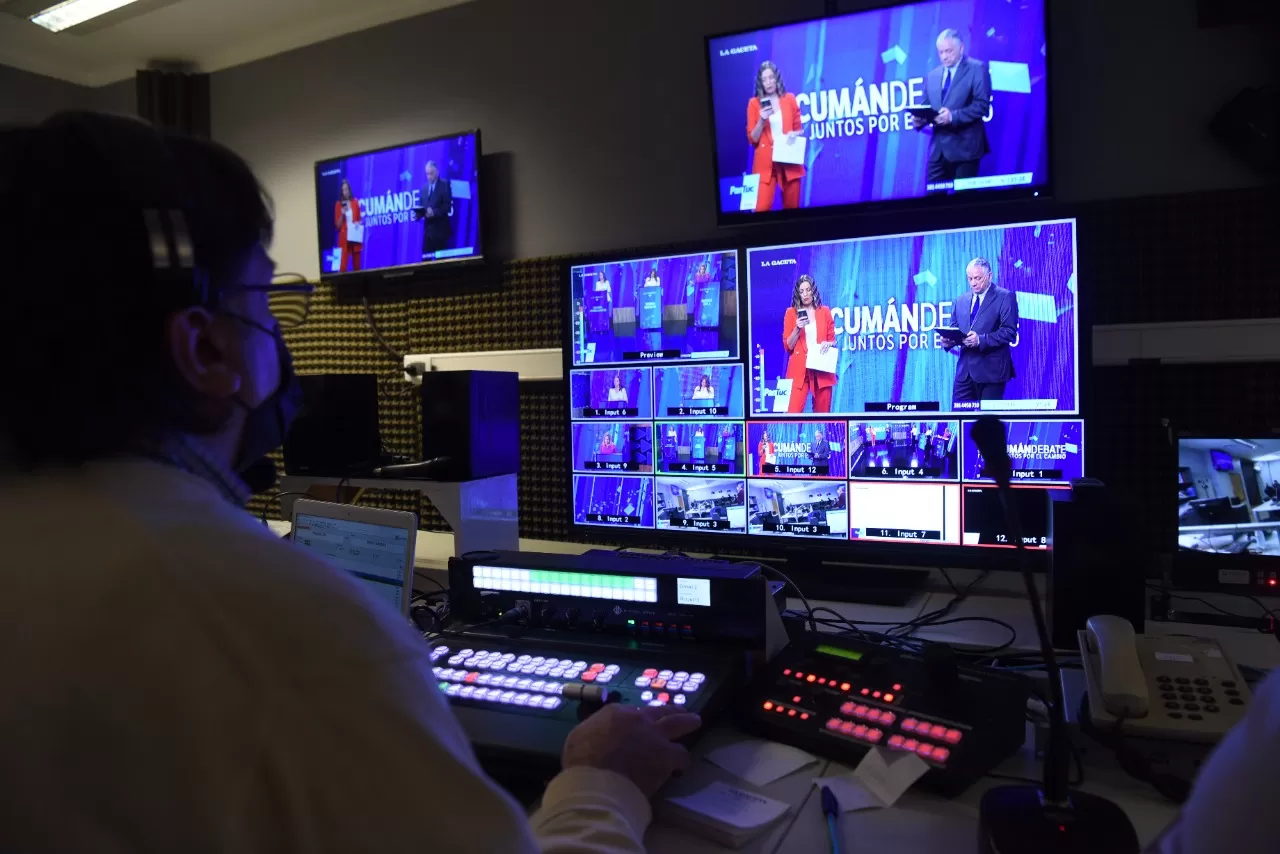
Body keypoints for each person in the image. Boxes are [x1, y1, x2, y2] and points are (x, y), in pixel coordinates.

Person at [0, 111, 701, 853]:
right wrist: (601, 781)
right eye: (265, 299)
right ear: (205, 348)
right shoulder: (285, 629)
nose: (281, 334)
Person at [912, 29, 992, 190]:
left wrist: (953, 117)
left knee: (963, 205)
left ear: (961, 48)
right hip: (938, 152)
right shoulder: (932, 76)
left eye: (948, 51)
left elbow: (982, 105)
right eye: (941, 52)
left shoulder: (977, 69)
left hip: (966, 150)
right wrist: (919, 120)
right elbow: (926, 106)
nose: (944, 56)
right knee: (933, 204)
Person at [950, 257, 1019, 402]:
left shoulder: (1006, 297)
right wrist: (948, 340)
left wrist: (980, 340)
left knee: (987, 422)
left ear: (990, 276)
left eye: (977, 278)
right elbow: (953, 328)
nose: (973, 283)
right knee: (959, 419)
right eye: (970, 279)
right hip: (964, 374)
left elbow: (1009, 332)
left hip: (992, 373)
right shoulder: (960, 300)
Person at [746, 60, 805, 212]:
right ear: (760, 83)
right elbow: (752, 139)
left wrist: (794, 134)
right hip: (765, 166)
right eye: (764, 79)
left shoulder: (789, 99)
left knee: (792, 211)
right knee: (761, 210)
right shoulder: (754, 104)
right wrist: (762, 119)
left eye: (771, 77)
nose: (769, 82)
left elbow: (799, 129)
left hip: (788, 161)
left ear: (776, 78)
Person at [782, 274, 837, 413]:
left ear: (813, 290)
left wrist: (828, 344)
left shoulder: (824, 311)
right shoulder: (791, 313)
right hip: (799, 372)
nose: (805, 294)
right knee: (791, 414)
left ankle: (820, 435)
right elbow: (788, 346)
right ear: (798, 294)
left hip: (821, 369)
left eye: (808, 290)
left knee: (822, 416)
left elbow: (833, 341)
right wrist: (797, 328)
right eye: (801, 291)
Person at [412, 159, 453, 256]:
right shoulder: (424, 189)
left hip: (441, 233)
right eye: (427, 174)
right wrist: (418, 216)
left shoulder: (445, 184)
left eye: (431, 173)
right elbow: (422, 208)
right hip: (428, 235)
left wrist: (434, 212)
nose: (429, 177)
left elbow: (447, 207)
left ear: (437, 172)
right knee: (426, 262)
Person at [333, 178, 363, 272]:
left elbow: (359, 220)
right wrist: (342, 214)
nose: (345, 192)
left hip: (355, 237)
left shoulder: (355, 203)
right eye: (343, 190)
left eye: (346, 189)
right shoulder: (338, 204)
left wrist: (358, 223)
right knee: (342, 268)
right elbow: (337, 226)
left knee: (357, 267)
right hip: (344, 239)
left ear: (349, 190)